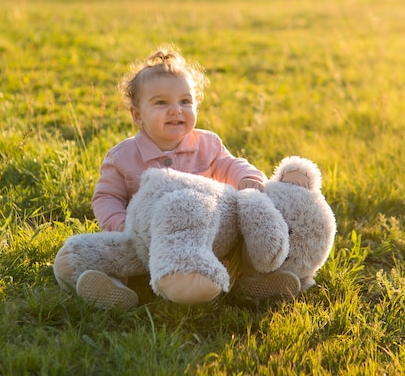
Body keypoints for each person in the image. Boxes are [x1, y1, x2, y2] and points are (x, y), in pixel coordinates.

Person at [54, 46, 303, 307]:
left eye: (185, 101)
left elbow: (230, 164)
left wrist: (247, 176)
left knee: (242, 237)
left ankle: (250, 280)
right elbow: (106, 197)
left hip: (208, 237)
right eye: (161, 103)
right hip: (145, 239)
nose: (176, 110)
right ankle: (112, 286)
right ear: (138, 115)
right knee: (87, 255)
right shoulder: (122, 157)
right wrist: (122, 224)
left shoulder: (207, 144)